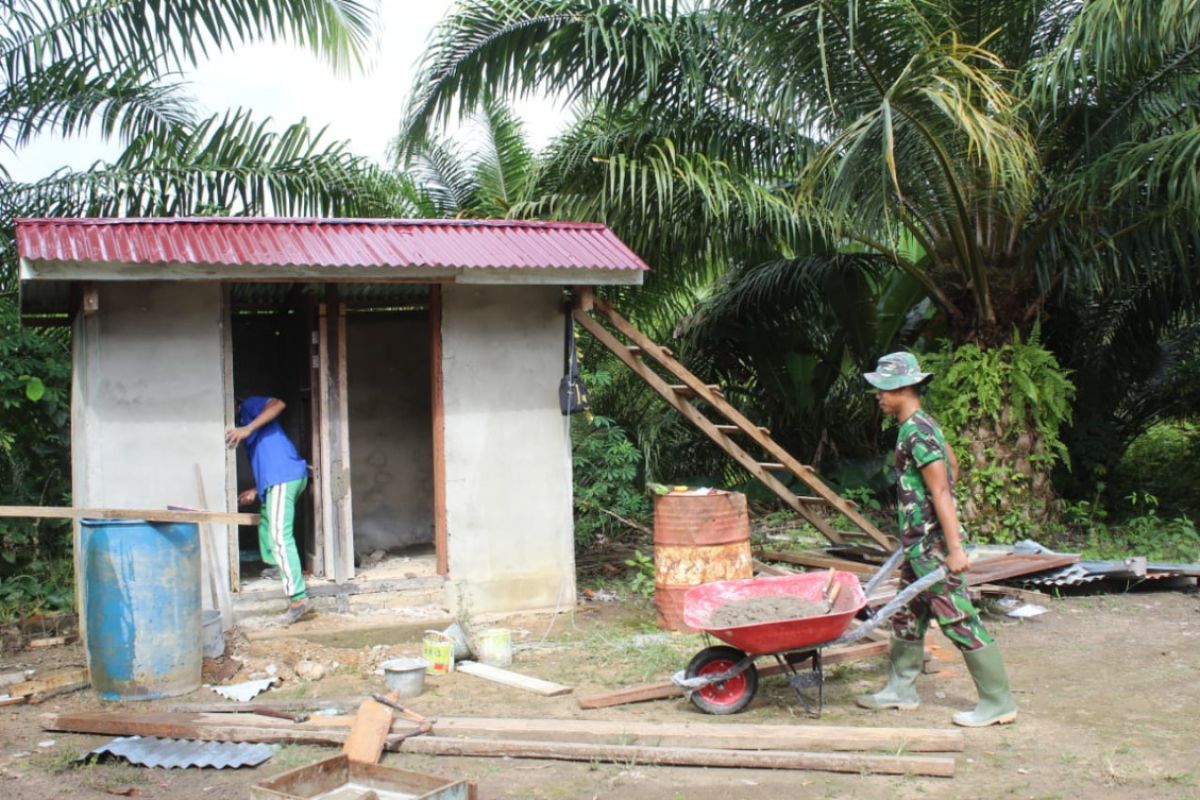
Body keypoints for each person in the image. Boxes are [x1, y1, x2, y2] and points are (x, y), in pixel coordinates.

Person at [857, 352, 1017, 727]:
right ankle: (900, 690)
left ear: (901, 387)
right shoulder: (920, 426)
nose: (878, 395)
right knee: (907, 615)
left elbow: (943, 488)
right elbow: (953, 467)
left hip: (933, 549)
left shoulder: (917, 430)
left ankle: (998, 702)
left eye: (882, 388)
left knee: (957, 616)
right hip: (918, 545)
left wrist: (955, 548)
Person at [226, 395, 312, 625]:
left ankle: (298, 599)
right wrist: (256, 489)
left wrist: (247, 428)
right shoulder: (245, 419)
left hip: (284, 477)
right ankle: (277, 567)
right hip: (275, 480)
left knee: (280, 536)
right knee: (267, 519)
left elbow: (279, 403)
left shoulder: (249, 406)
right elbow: (268, 459)